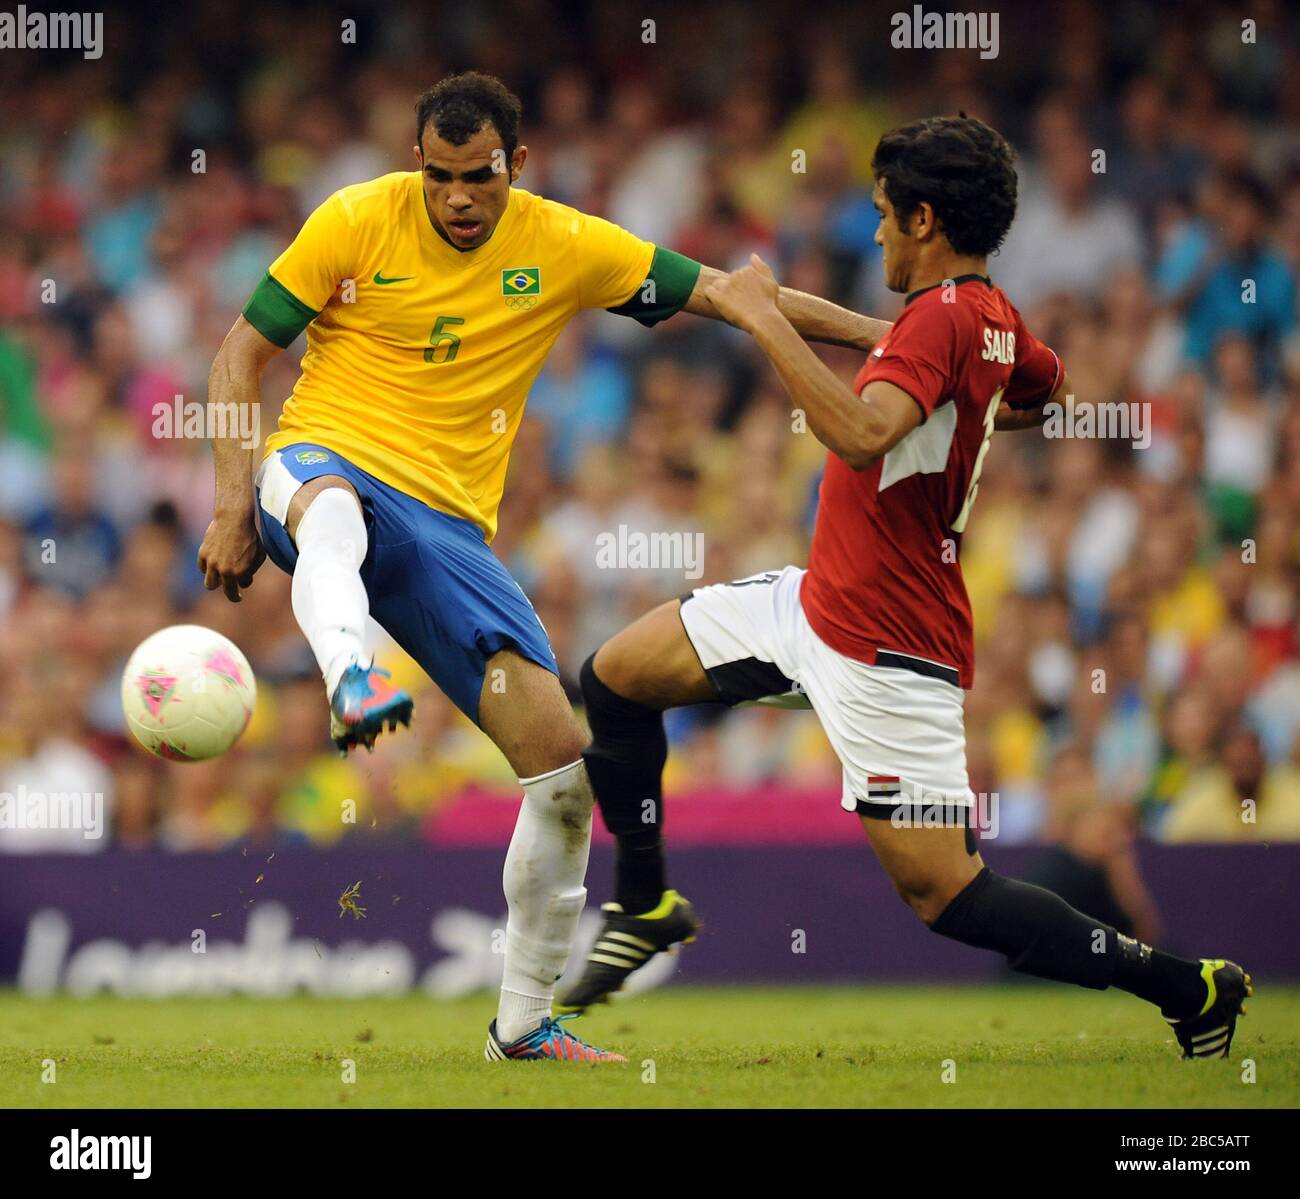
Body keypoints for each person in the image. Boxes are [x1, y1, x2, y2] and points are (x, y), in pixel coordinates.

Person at [196, 73, 889, 1064]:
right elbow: (237, 356)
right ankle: (353, 671)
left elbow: (739, 297)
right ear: (417, 160)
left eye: (477, 177)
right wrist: (231, 502)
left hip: (447, 530)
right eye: (437, 177)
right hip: (321, 463)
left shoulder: (566, 244)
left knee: (563, 769)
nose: (456, 199)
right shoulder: (352, 220)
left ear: (516, 164)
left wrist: (888, 338)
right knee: (333, 512)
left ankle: (522, 1022)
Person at [560, 115, 1251, 1061]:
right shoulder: (990, 318)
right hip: (816, 605)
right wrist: (954, 416)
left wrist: (765, 321)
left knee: (947, 894)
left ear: (923, 219)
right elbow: (1044, 386)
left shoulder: (945, 319)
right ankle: (644, 904)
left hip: (891, 647)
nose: (876, 232)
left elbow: (857, 433)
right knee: (614, 675)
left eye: (884, 215)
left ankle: (1187, 984)